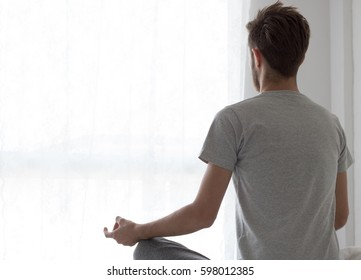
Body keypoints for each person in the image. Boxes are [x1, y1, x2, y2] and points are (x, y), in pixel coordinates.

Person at [104, 1, 353, 260]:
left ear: (256, 57)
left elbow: (203, 214)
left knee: (148, 249)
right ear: (301, 58)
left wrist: (138, 230)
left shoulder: (234, 120)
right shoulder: (331, 124)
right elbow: (340, 216)